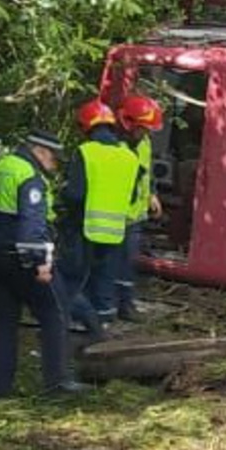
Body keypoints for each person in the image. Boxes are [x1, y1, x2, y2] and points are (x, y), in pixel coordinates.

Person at [0, 129, 85, 397]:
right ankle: (57, 383)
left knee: (2, 321)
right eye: (54, 159)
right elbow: (31, 227)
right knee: (54, 313)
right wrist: (40, 264)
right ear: (40, 151)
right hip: (21, 259)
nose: (54, 165)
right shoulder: (29, 177)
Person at [57, 99, 140, 338]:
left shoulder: (86, 152)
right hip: (115, 231)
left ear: (86, 127)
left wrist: (62, 193)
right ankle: (102, 328)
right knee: (104, 280)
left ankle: (76, 324)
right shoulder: (129, 157)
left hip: (85, 227)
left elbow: (75, 193)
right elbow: (132, 195)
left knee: (73, 277)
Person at [113, 94, 164, 323]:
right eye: (143, 128)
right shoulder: (114, 145)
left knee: (128, 262)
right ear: (129, 122)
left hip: (135, 216)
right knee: (111, 264)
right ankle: (111, 306)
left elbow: (147, 171)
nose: (146, 133)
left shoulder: (144, 143)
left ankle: (125, 304)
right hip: (114, 215)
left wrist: (152, 193)